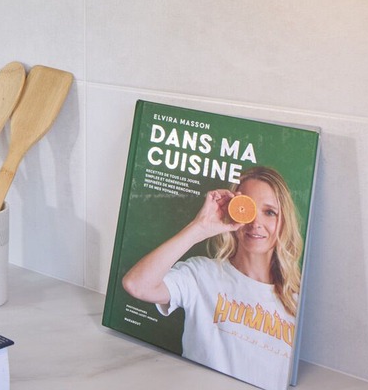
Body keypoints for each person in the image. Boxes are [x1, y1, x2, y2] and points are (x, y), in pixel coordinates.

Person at [121, 166, 304, 390]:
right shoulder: (201, 275)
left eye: (270, 212)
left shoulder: (298, 299)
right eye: (248, 208)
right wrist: (199, 228)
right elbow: (136, 285)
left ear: (284, 221)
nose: (256, 222)